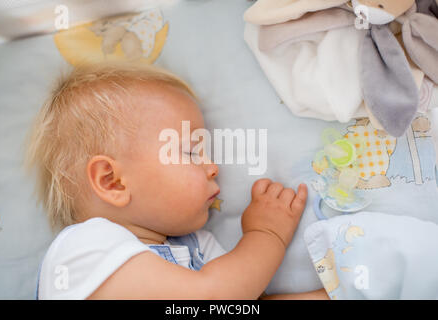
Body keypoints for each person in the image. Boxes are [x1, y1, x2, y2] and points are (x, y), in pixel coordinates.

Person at [26, 61, 328, 299]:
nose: (212, 167)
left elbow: (243, 297)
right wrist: (266, 234)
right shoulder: (85, 247)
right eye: (190, 152)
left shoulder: (196, 246)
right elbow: (214, 295)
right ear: (112, 182)